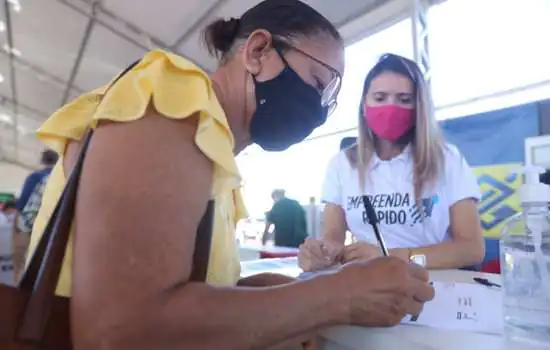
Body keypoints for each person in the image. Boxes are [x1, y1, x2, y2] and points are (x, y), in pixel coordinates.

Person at [27, 2, 434, 349]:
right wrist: (338, 297)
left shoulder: (211, 148)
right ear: (258, 51)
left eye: (330, 100)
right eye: (318, 84)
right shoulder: (171, 102)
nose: (320, 110)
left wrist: (294, 296)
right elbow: (120, 330)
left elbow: (194, 294)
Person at [299, 53, 485, 272]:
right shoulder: (342, 165)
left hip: (434, 287)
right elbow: (333, 238)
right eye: (379, 98)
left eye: (404, 100)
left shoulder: (446, 159)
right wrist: (322, 253)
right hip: (369, 286)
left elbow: (471, 249)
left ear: (419, 107)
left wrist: (393, 257)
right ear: (364, 106)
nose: (391, 107)